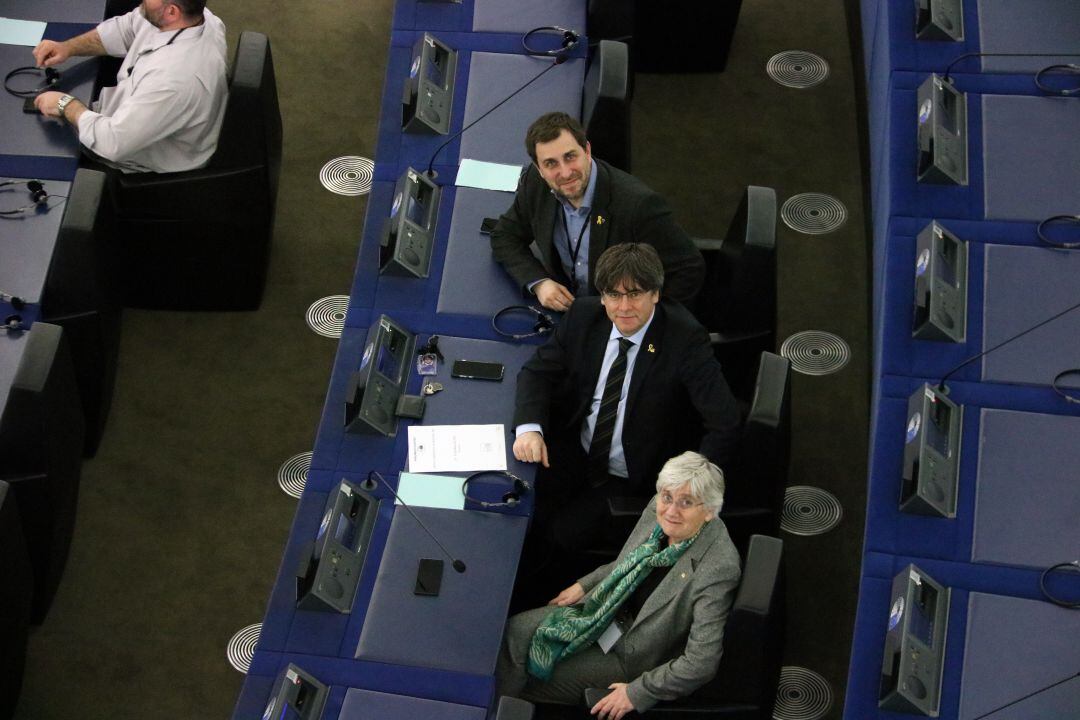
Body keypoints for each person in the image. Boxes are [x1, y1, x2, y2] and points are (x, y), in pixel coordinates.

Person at [512, 242, 740, 563]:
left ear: (656, 294)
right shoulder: (583, 316)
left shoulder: (685, 339)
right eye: (613, 295)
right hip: (576, 449)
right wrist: (529, 429)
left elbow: (725, 422)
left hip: (633, 475)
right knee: (515, 502)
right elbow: (537, 372)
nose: (623, 307)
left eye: (634, 294)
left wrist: (689, 487)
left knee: (559, 536)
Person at [496, 452, 741, 719]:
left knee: (525, 674)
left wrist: (639, 692)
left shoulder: (717, 569)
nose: (671, 511)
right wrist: (584, 585)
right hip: (605, 608)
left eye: (686, 503)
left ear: (708, 511)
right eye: (667, 497)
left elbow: (701, 663)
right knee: (513, 633)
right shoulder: (658, 509)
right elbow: (626, 561)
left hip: (631, 654)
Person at [491, 112, 704, 311]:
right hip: (568, 314)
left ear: (587, 150)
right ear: (540, 170)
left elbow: (689, 270)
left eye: (570, 157)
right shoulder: (535, 184)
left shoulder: (638, 205)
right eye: (551, 163)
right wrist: (539, 283)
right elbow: (505, 236)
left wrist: (641, 323)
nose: (565, 172)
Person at [32, 0, 227, 174]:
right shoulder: (190, 18)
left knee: (39, 146)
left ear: (172, 12)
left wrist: (66, 104)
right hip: (133, 120)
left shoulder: (173, 81)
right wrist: (68, 47)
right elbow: (124, 29)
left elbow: (113, 143)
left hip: (141, 156)